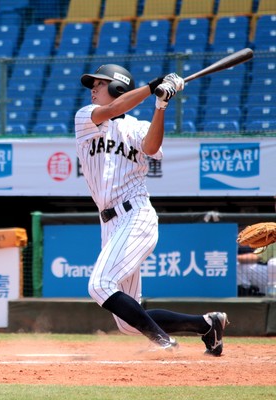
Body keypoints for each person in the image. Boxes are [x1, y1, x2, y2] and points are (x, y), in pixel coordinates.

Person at [74, 64, 228, 355]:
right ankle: (207, 324)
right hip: (109, 224)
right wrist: (152, 85)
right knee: (127, 323)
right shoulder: (85, 117)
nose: (92, 88)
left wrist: (161, 104)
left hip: (136, 215)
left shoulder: (138, 127)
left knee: (99, 285)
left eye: (99, 83)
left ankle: (164, 342)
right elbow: (115, 108)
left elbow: (151, 146)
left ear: (118, 86)